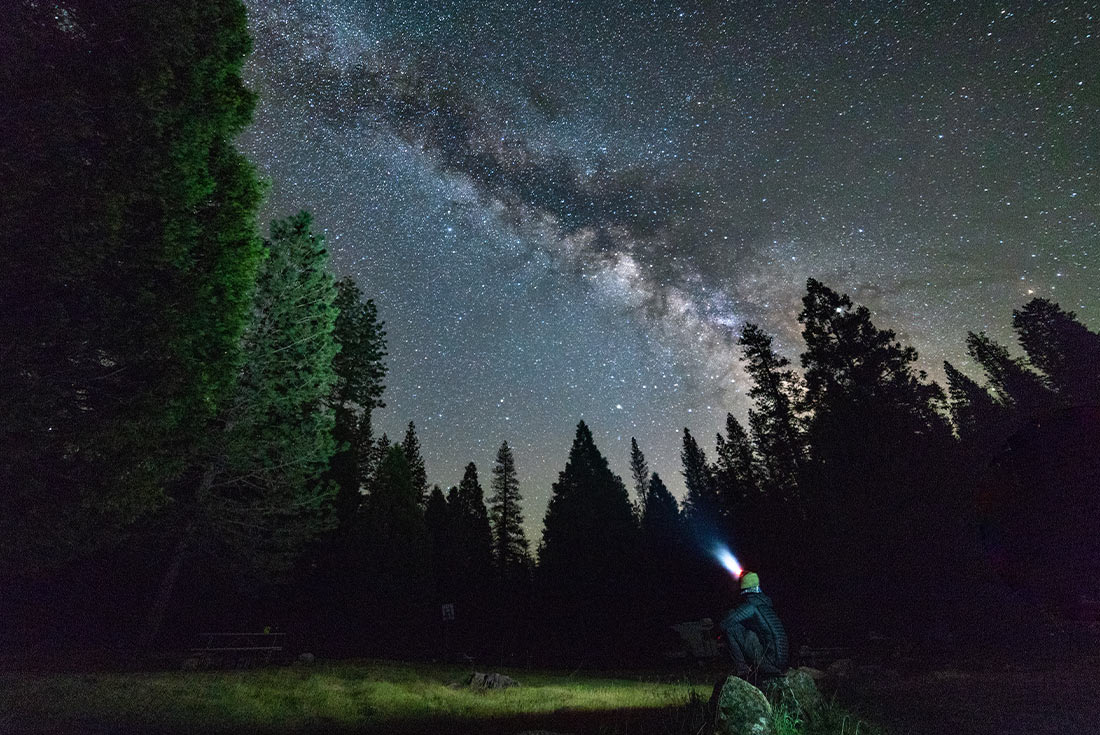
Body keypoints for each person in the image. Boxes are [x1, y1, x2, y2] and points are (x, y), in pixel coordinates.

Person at [720, 570, 788, 678]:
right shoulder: (765, 604)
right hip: (781, 660)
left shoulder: (751, 605)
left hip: (771, 661)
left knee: (732, 629)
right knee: (749, 633)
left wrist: (730, 612)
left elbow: (724, 624)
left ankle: (743, 671)